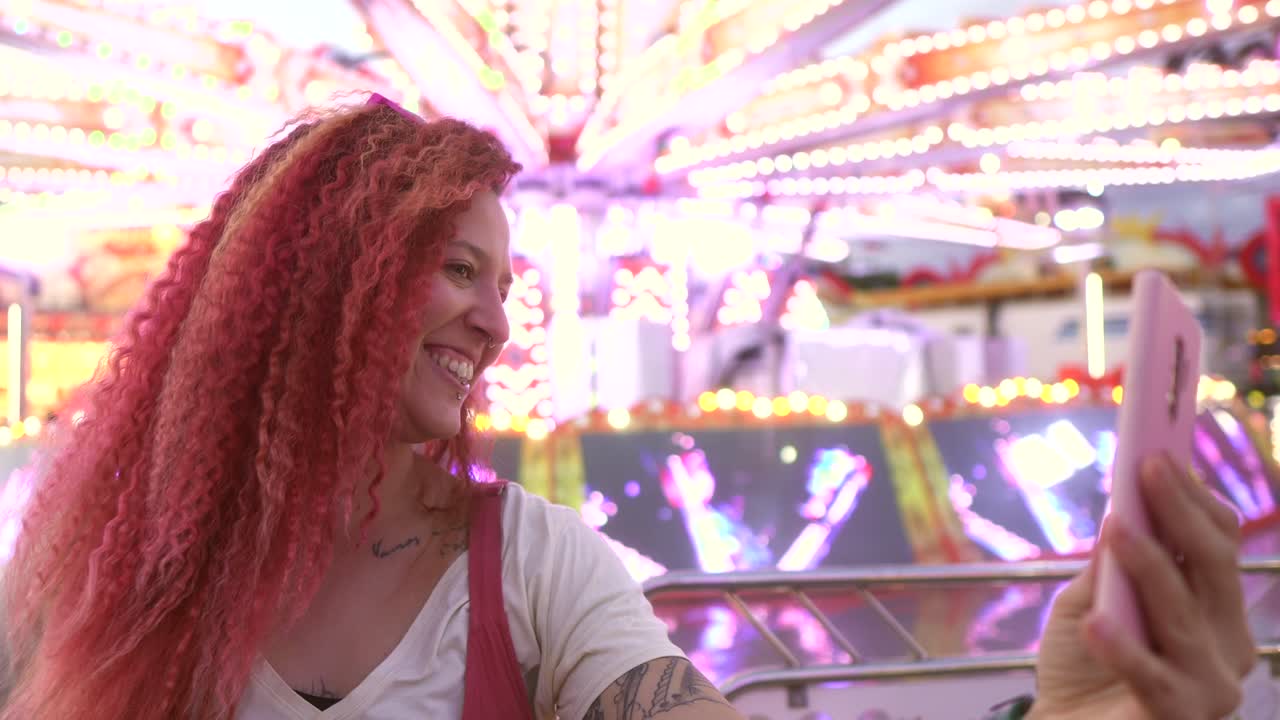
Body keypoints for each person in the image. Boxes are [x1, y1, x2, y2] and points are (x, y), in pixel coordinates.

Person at [0, 93, 1254, 720]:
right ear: (325, 272)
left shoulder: (535, 566)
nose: (492, 320)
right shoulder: (93, 568)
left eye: (501, 279)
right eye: (454, 266)